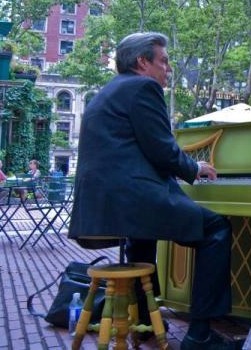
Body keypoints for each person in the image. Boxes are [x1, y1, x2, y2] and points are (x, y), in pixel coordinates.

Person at [68, 32, 235, 350]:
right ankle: (199, 335)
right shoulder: (142, 87)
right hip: (130, 199)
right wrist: (195, 168)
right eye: (164, 61)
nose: (168, 69)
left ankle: (145, 324)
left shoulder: (109, 91)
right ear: (142, 62)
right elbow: (161, 148)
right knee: (216, 229)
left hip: (106, 205)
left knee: (143, 240)